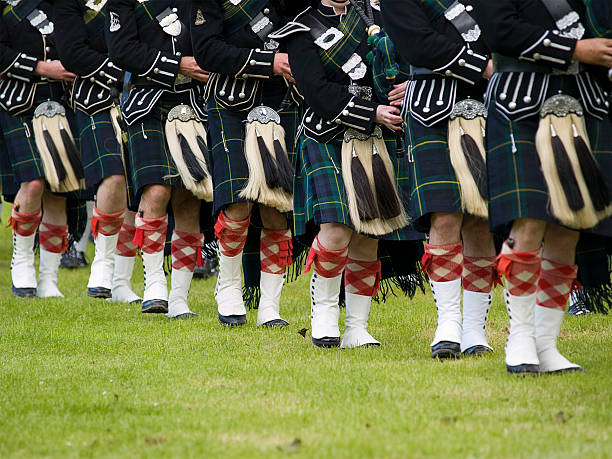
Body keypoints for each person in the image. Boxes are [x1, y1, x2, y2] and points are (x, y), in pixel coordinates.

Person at [473, 0, 612, 373]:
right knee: (529, 221)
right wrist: (573, 49)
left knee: (568, 228)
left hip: (586, 100)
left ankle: (546, 345)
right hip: (521, 100)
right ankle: (520, 337)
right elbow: (499, 29)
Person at [279, 0, 422, 348]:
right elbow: (315, 92)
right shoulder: (301, 28)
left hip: (376, 136)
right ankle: (324, 315)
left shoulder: (378, 16)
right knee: (336, 228)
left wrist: (407, 86)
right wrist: (371, 112)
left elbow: (400, 64)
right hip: (326, 134)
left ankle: (357, 327)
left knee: (369, 232)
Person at [383, 0, 497, 358]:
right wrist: (486, 66)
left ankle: (476, 329)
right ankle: (448, 323)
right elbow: (419, 43)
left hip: (490, 104)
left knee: (481, 220)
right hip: (432, 108)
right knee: (445, 214)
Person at [190, 0, 304, 327]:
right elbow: (208, 51)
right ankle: (227, 288)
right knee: (236, 203)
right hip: (230, 99)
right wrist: (268, 61)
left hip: (282, 98)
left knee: (276, 204)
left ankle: (270, 305)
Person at [106, 0, 210, 317]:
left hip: (195, 103)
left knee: (189, 198)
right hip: (147, 102)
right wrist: (176, 65)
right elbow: (121, 50)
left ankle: (179, 297)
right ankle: (154, 283)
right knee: (156, 190)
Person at [54, 0, 141, 304]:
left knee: (134, 190)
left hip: (143, 99)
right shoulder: (72, 5)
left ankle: (121, 281)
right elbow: (72, 53)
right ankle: (103, 263)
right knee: (114, 177)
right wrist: (125, 70)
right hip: (95, 99)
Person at [0, 0, 79, 298]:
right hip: (18, 98)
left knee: (58, 188)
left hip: (61, 99)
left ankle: (49, 277)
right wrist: (41, 67)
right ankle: (22, 263)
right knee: (33, 183)